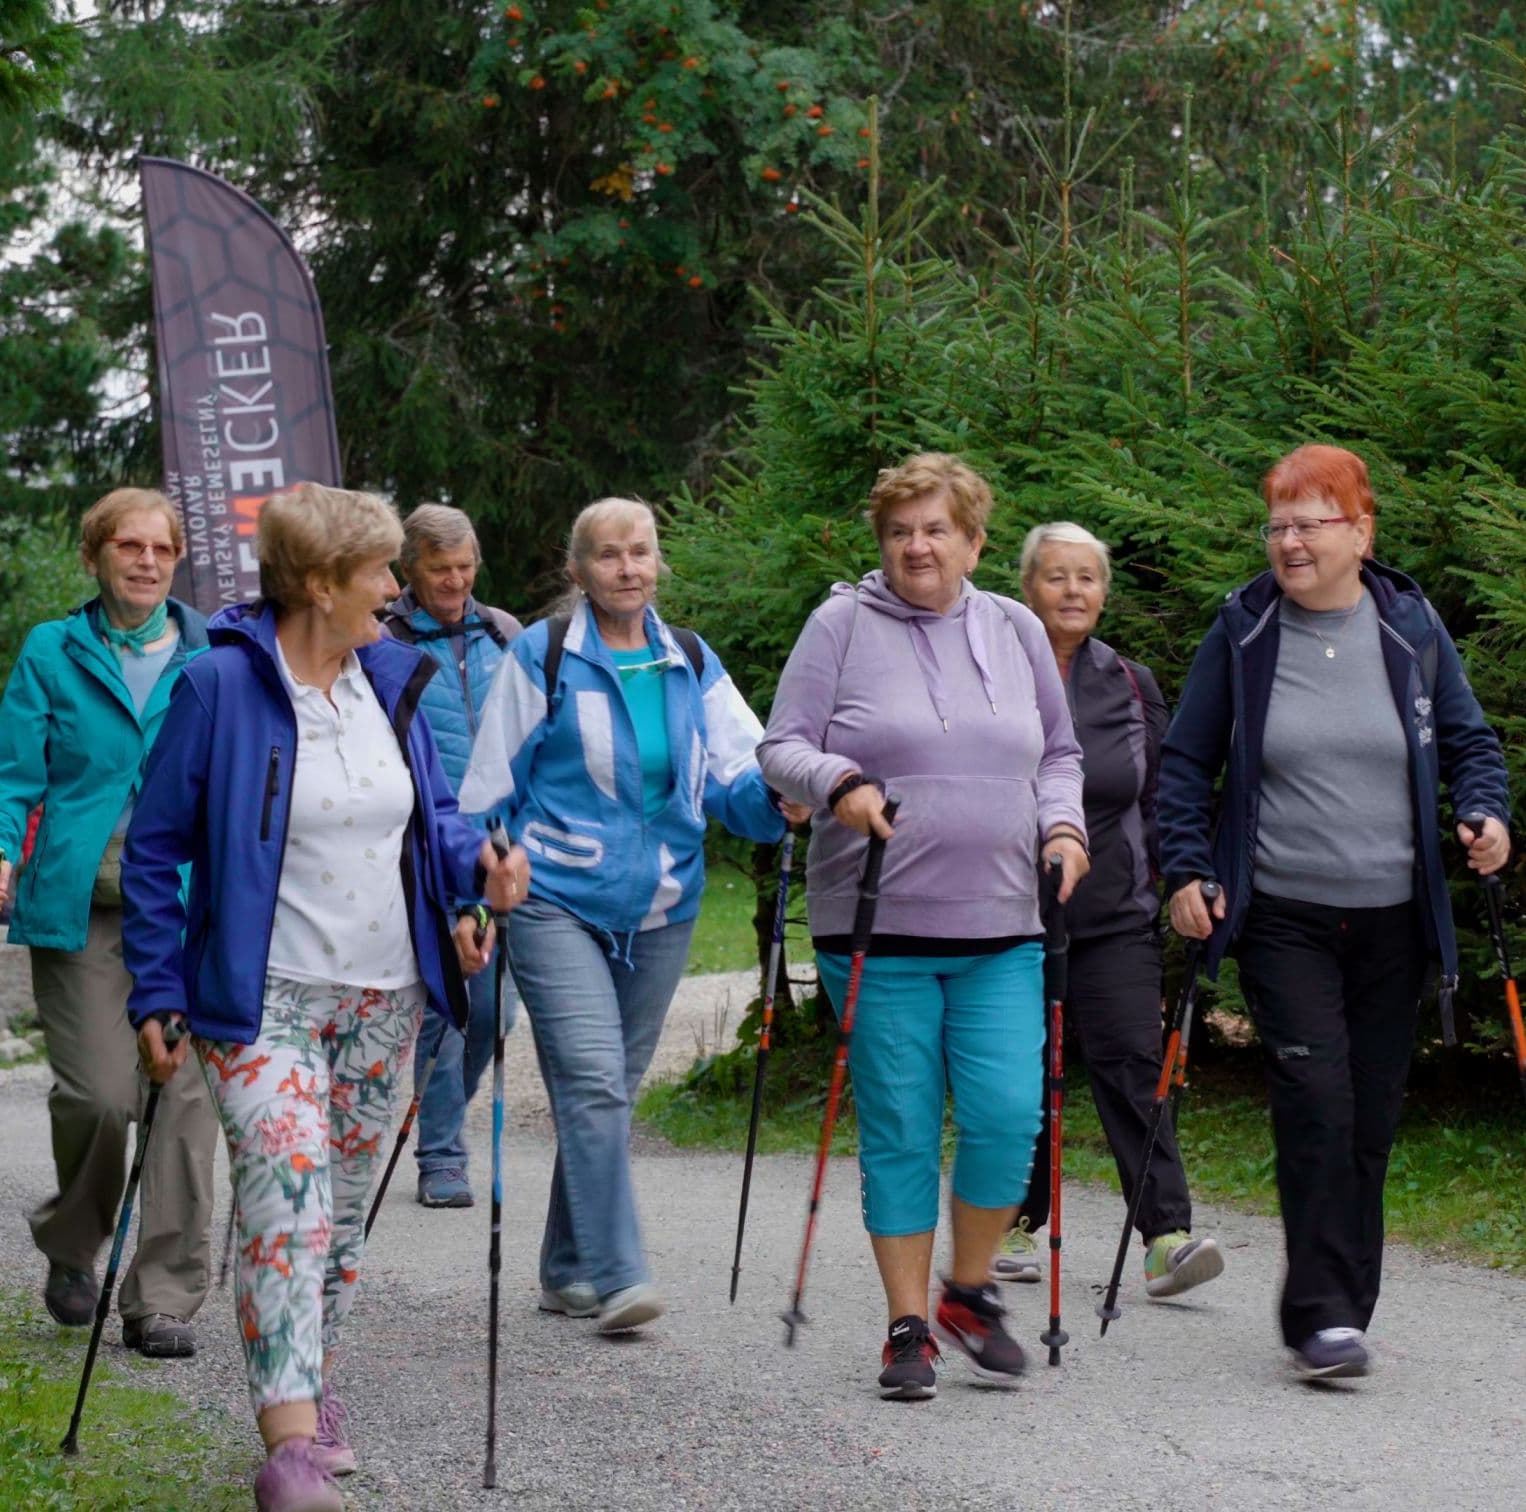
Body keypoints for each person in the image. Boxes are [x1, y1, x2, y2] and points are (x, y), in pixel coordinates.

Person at [121, 481, 529, 1512]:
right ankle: (290, 1447)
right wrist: (157, 991)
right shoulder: (218, 688)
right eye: (377, 574)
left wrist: (474, 875)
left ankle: (311, 1375)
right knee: (286, 1205)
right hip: (263, 1000)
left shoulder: (390, 679)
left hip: (386, 997)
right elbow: (158, 847)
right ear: (315, 583)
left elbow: (430, 819)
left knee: (338, 1220)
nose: (395, 591)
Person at [1157, 444, 1511, 1382]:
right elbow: (1186, 763)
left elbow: (1472, 742)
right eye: (1276, 525)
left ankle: (1345, 1309)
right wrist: (1187, 869)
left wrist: (1487, 817)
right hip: (1283, 914)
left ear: (1361, 531)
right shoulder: (1242, 631)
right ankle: (1318, 1317)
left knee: (1369, 1122)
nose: (1288, 542)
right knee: (1316, 1103)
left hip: (1394, 920)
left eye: (1309, 524)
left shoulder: (1412, 627)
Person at [757, 453, 1088, 1399]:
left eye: (936, 529)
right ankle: (907, 1324)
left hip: (1003, 922)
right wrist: (841, 784)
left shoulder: (1017, 627)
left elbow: (1059, 753)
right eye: (901, 531)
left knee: (1004, 1119)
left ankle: (970, 1292)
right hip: (877, 925)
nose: (917, 546)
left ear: (975, 541)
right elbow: (781, 746)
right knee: (902, 1127)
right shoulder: (840, 625)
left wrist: (1063, 827)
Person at [457, 497, 795, 1335]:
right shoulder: (539, 658)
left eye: (639, 552)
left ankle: (567, 1267)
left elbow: (734, 780)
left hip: (664, 906)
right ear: (577, 572)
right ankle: (618, 1275)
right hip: (555, 900)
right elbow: (486, 789)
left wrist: (779, 799)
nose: (627, 568)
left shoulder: (687, 658)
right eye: (607, 556)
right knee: (593, 1083)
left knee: (608, 1091)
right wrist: (484, 876)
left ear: (658, 561)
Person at [0, 486, 218, 1358]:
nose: (146, 562)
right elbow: (10, 775)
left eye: (161, 549)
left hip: (187, 910)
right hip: (81, 907)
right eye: (128, 547)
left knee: (184, 1101)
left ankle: (163, 1297)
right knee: (103, 1097)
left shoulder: (214, 654)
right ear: (95, 556)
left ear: (178, 560)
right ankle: (74, 1244)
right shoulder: (53, 650)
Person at [998, 522, 1227, 1301]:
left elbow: (1162, 794)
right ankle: (1008, 1221)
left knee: (1134, 1063)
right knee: (1018, 1072)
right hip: (1004, 915)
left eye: (1087, 578)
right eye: (1056, 577)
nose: (1072, 592)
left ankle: (1165, 1237)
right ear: (1027, 586)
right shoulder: (992, 672)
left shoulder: (1131, 683)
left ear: (1104, 591)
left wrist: (1178, 879)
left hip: (1113, 913)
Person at [379, 504, 524, 1209]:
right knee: (449, 1001)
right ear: (411, 569)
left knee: (497, 1012)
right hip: (429, 844)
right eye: (442, 569)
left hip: (504, 846)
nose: (457, 580)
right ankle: (441, 1155)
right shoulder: (385, 638)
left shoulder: (504, 631)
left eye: (467, 566)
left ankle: (442, 1120)